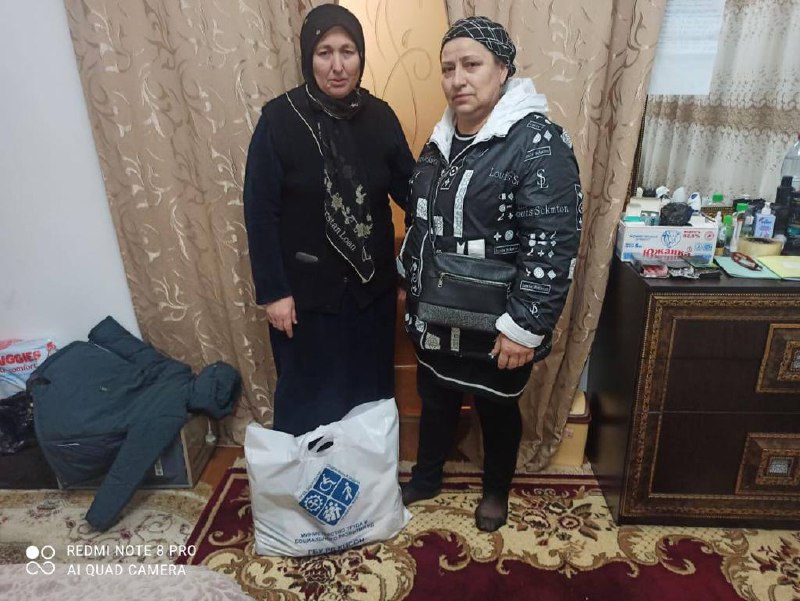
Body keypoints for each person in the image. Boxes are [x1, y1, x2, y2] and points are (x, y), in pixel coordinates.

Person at [398, 16, 582, 532]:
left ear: (502, 69)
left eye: (471, 65)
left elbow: (552, 242)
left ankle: (496, 490)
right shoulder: (441, 139)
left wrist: (525, 326)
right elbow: (422, 222)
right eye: (448, 68)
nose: (457, 79)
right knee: (436, 397)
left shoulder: (538, 141)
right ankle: (427, 477)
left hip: (497, 318)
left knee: (496, 408)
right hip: (437, 310)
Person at [243, 4, 414, 436]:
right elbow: (260, 212)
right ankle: (310, 478)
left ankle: (365, 477)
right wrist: (274, 293)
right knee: (310, 404)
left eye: (347, 51)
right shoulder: (279, 120)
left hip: (371, 294)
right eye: (325, 52)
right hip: (305, 300)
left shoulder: (380, 117)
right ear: (308, 57)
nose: (337, 66)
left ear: (360, 57)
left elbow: (411, 192)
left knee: (369, 405)